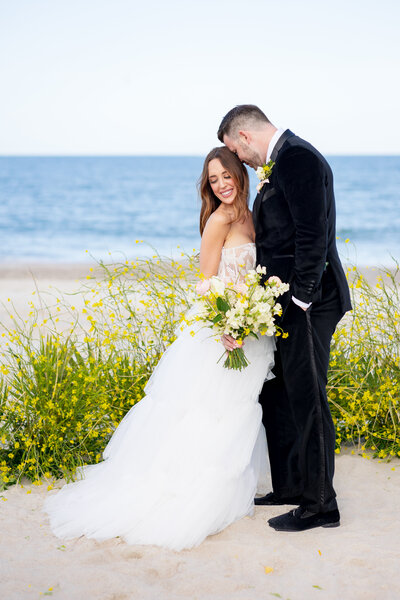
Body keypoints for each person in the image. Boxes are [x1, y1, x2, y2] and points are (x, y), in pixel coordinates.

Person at [44, 146, 276, 551]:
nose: (220, 184)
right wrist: (227, 325)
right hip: (222, 331)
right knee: (207, 410)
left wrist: (252, 317)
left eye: (226, 175)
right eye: (213, 178)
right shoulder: (218, 221)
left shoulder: (253, 213)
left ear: (240, 174)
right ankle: (191, 487)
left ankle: (228, 486)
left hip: (251, 331)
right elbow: (206, 284)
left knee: (238, 411)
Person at [218, 105, 352, 532]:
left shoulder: (298, 159)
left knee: (309, 399)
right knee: (281, 396)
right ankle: (293, 486)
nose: (238, 161)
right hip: (283, 304)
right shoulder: (285, 161)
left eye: (234, 152)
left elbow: (314, 235)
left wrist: (302, 299)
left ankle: (320, 506)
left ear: (243, 136)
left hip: (309, 305)